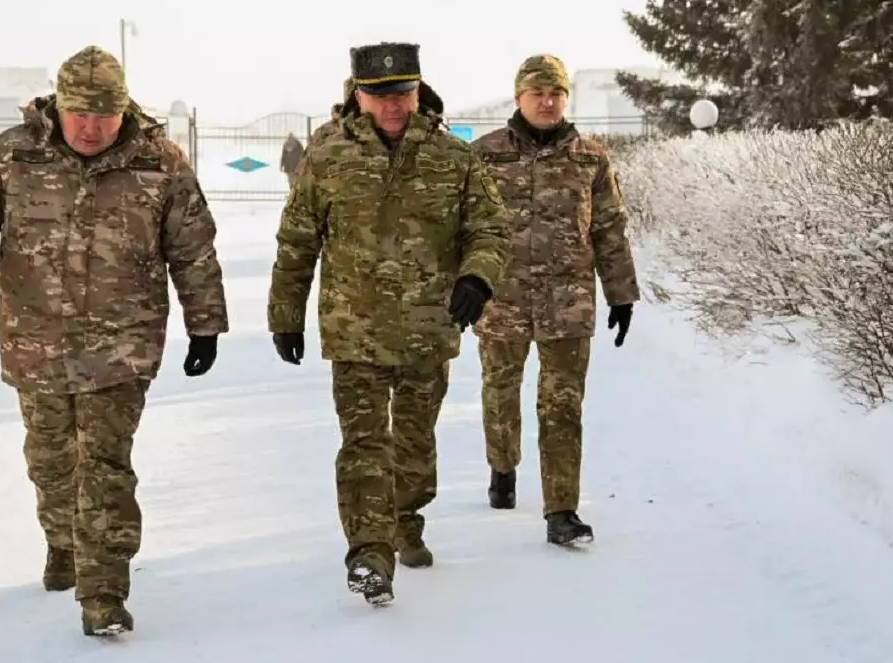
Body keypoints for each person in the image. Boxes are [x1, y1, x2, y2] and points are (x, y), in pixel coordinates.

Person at [0, 45, 229, 636]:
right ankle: (64, 543)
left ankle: (104, 592)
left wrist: (205, 323)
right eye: (79, 114)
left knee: (105, 466)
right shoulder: (12, 155)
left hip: (122, 349)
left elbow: (193, 248)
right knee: (52, 463)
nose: (91, 128)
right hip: (34, 342)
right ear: (57, 108)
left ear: (124, 110)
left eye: (104, 115)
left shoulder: (159, 163)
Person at [267, 41, 510, 605]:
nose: (393, 106)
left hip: (431, 324)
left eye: (402, 93)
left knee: (415, 443)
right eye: (379, 96)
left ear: (418, 91)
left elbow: (491, 229)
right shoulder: (328, 158)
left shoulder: (453, 158)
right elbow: (298, 241)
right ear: (358, 95)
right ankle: (369, 553)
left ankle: (407, 518)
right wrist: (286, 314)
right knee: (363, 443)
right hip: (355, 328)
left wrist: (476, 277)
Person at [471, 54, 639, 546]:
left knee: (562, 406)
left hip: (568, 302)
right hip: (501, 298)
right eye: (537, 93)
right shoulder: (485, 154)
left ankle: (560, 510)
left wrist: (621, 293)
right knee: (501, 395)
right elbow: (461, 227)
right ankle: (502, 466)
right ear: (519, 97)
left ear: (567, 98)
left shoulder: (591, 156)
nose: (547, 102)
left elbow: (609, 228)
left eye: (556, 93)